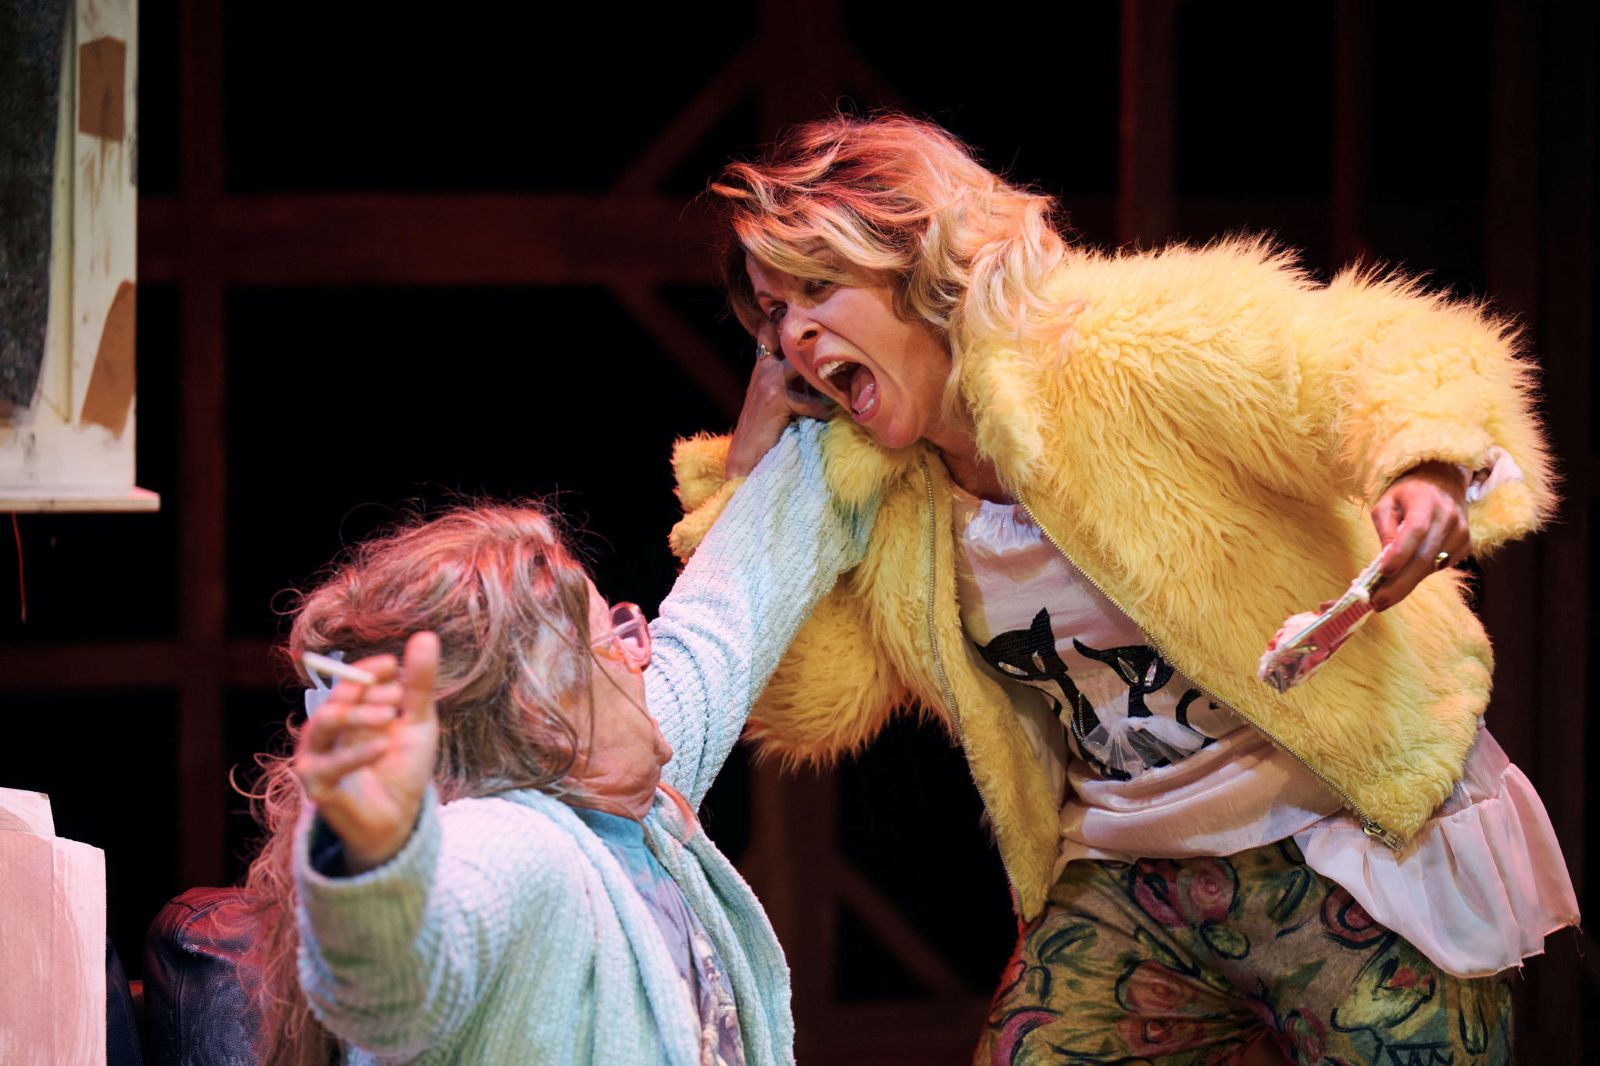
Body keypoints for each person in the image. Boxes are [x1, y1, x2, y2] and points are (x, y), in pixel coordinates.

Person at [670, 113, 1578, 1064]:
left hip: (1345, 839)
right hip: (1130, 881)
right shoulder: (889, 494)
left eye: (818, 288)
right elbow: (806, 701)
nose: (794, 336)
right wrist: (746, 483)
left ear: (918, 266)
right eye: (772, 315)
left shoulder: (1126, 342)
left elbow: (1378, 351)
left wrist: (1426, 465)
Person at [239, 416, 866, 1065]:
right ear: (539, 714)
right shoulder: (519, 847)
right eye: (613, 638)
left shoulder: (611, 792)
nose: (642, 654)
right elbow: (395, 985)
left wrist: (812, 421)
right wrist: (371, 862)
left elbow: (725, 616)